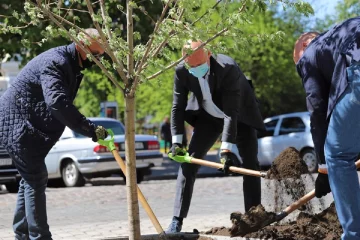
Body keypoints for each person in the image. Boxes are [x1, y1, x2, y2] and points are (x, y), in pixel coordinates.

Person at [0, 28, 109, 240]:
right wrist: (90, 129)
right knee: (35, 177)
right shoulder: (56, 62)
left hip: (27, 126)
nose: (98, 60)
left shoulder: (70, 63)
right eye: (95, 55)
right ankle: (39, 237)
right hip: (17, 126)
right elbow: (57, 102)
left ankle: (22, 234)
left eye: (101, 56)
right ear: (81, 46)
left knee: (30, 178)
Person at [166, 40, 265, 233]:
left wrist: (226, 149)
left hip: (240, 116)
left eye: (199, 64)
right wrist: (176, 142)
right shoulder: (182, 70)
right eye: (191, 65)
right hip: (208, 117)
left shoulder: (227, 68)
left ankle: (253, 220)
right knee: (188, 162)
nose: (195, 68)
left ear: (209, 53)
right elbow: (177, 106)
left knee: (250, 164)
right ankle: (176, 221)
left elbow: (231, 112)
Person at [293, 17, 360, 239]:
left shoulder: (310, 54)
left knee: (338, 155)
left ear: (304, 45)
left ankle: (354, 235)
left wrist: (323, 168)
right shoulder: (341, 34)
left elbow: (317, 111)